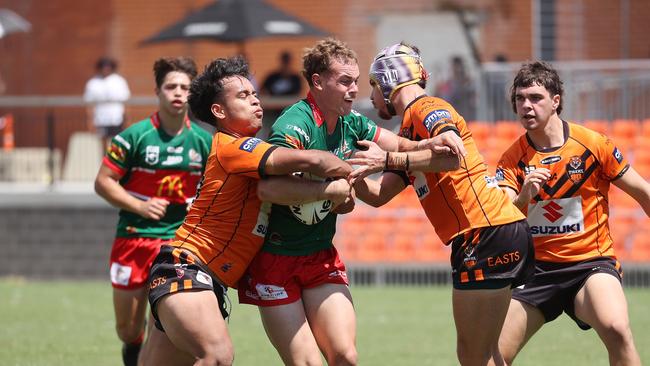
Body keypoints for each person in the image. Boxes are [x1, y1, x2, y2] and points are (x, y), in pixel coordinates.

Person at [236, 37, 458, 366]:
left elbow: (398, 145)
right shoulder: (293, 125)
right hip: (275, 262)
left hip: (320, 256)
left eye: (356, 81)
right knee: (307, 363)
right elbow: (269, 190)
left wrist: (435, 141)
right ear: (317, 82)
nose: (354, 89)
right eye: (344, 81)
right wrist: (329, 192)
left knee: (345, 356)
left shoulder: (350, 122)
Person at [143, 55, 354, 366]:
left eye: (254, 94)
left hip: (198, 280)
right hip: (186, 269)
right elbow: (311, 160)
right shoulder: (234, 146)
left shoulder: (247, 150)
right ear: (219, 111)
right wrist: (344, 173)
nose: (255, 101)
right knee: (217, 356)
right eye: (243, 96)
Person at [346, 42, 535, 366]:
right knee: (486, 354)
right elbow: (379, 196)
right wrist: (345, 170)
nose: (371, 97)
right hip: (497, 229)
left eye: (372, 87)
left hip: (482, 231)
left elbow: (450, 157)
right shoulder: (406, 131)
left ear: (387, 81)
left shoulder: (426, 107)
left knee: (472, 356)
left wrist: (387, 157)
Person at [495, 61, 646, 365]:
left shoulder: (592, 145)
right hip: (536, 272)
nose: (526, 106)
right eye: (520, 99)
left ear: (555, 101)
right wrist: (525, 195)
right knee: (492, 355)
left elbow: (643, 192)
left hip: (590, 264)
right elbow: (503, 216)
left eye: (535, 98)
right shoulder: (513, 158)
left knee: (617, 328)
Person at [94, 56, 211, 366]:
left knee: (179, 327)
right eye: (170, 86)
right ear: (158, 91)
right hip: (133, 239)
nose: (177, 93)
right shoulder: (134, 137)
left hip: (178, 246)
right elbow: (103, 183)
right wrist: (140, 206)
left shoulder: (204, 142)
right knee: (128, 329)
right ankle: (136, 349)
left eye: (185, 87)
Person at [84, 57, 131, 146]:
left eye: (108, 66)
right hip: (100, 119)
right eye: (103, 66)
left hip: (116, 119)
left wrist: (127, 119)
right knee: (102, 144)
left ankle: (115, 160)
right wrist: (90, 121)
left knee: (117, 142)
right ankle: (105, 159)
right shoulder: (93, 82)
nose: (106, 69)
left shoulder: (119, 81)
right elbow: (89, 104)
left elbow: (125, 102)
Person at [435, 55, 476, 121]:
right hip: (453, 118)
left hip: (467, 119)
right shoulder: (448, 84)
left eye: (459, 68)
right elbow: (442, 99)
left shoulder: (468, 83)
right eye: (455, 67)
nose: (458, 70)